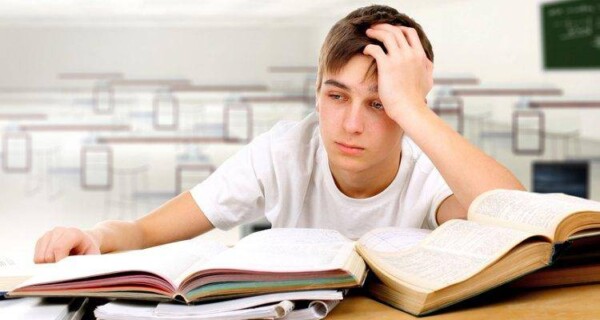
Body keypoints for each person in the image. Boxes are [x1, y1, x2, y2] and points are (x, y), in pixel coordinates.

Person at [34, 5, 524, 263]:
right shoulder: (284, 151)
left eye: (379, 104)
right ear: (316, 93)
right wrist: (93, 236)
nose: (352, 124)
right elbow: (144, 232)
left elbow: (520, 217)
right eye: (336, 96)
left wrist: (411, 108)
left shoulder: (429, 169)